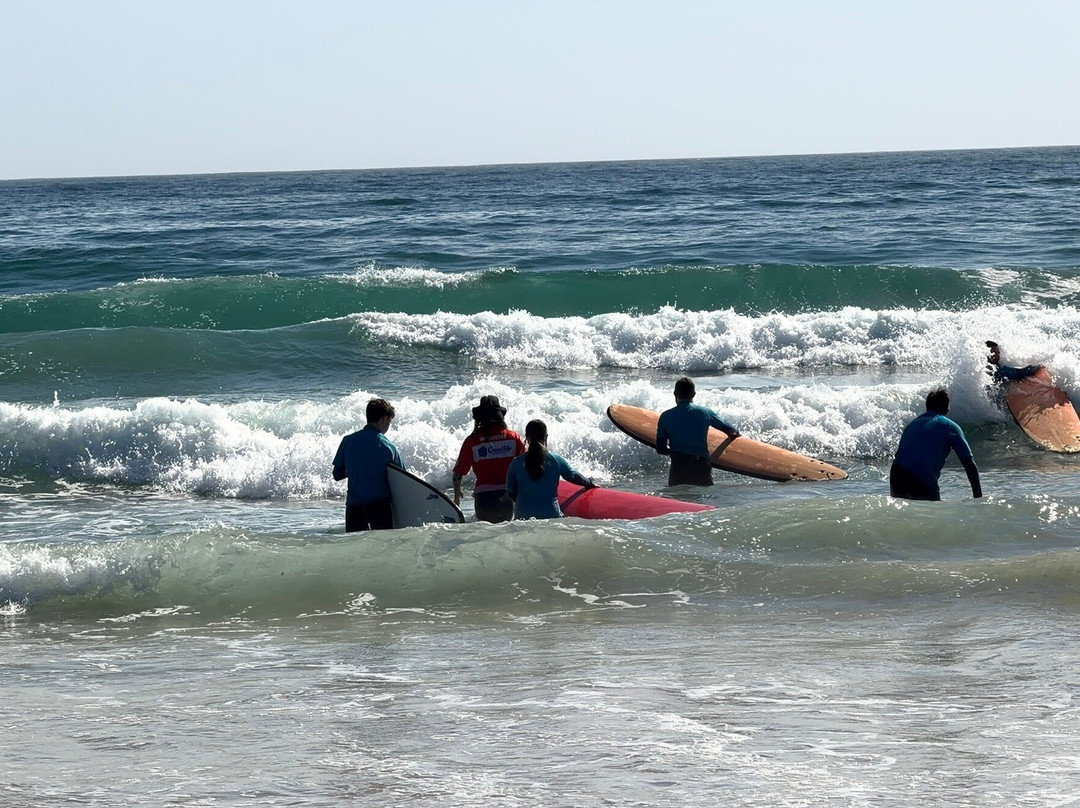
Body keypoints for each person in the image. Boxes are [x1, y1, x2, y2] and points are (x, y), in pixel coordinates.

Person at [890, 388, 982, 501]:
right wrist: (978, 499)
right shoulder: (949, 426)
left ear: (927, 406)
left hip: (897, 475)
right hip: (921, 477)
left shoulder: (912, 424)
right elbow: (969, 462)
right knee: (931, 515)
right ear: (947, 409)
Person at [332, 397, 405, 531]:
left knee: (355, 547)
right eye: (389, 421)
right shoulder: (388, 446)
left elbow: (337, 474)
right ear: (383, 419)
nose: (389, 426)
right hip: (380, 507)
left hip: (354, 507)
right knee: (382, 547)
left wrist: (355, 470)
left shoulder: (348, 441)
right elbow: (403, 480)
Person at [452, 395, 525, 523]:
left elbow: (458, 474)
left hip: (484, 501)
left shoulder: (472, 441)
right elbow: (527, 464)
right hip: (507, 499)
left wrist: (457, 496)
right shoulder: (514, 438)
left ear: (479, 418)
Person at [655, 377, 740, 486]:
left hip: (678, 467)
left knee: (677, 501)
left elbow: (660, 449)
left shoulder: (665, 417)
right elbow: (731, 431)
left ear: (675, 393)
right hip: (700, 466)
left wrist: (673, 453)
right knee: (702, 501)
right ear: (694, 394)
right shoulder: (705, 413)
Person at [505, 419, 594, 520]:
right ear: (546, 437)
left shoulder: (516, 463)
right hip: (551, 516)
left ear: (527, 438)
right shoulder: (556, 460)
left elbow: (511, 492)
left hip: (523, 517)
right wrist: (590, 483)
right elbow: (573, 476)